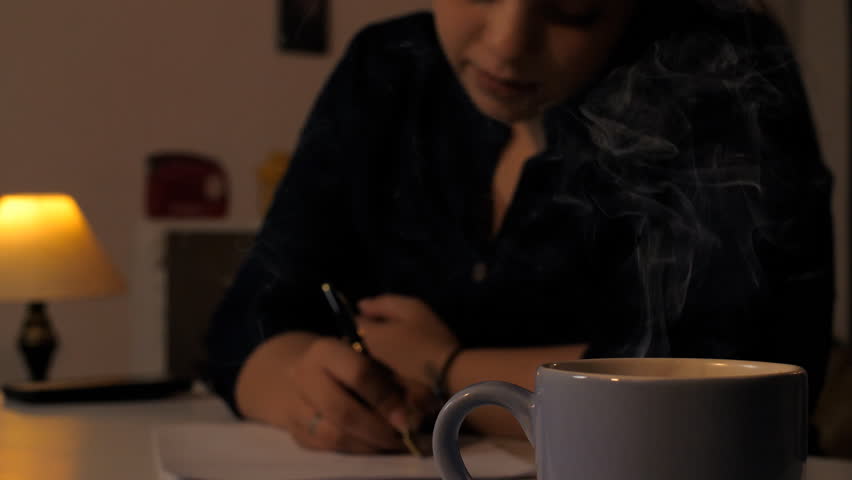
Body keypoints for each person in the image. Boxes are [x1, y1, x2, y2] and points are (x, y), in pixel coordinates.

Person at [204, 0, 834, 454]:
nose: (507, 42)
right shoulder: (389, 68)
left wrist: (442, 368)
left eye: (571, 8)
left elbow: (722, 378)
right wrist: (311, 393)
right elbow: (246, 321)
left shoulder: (720, 72)